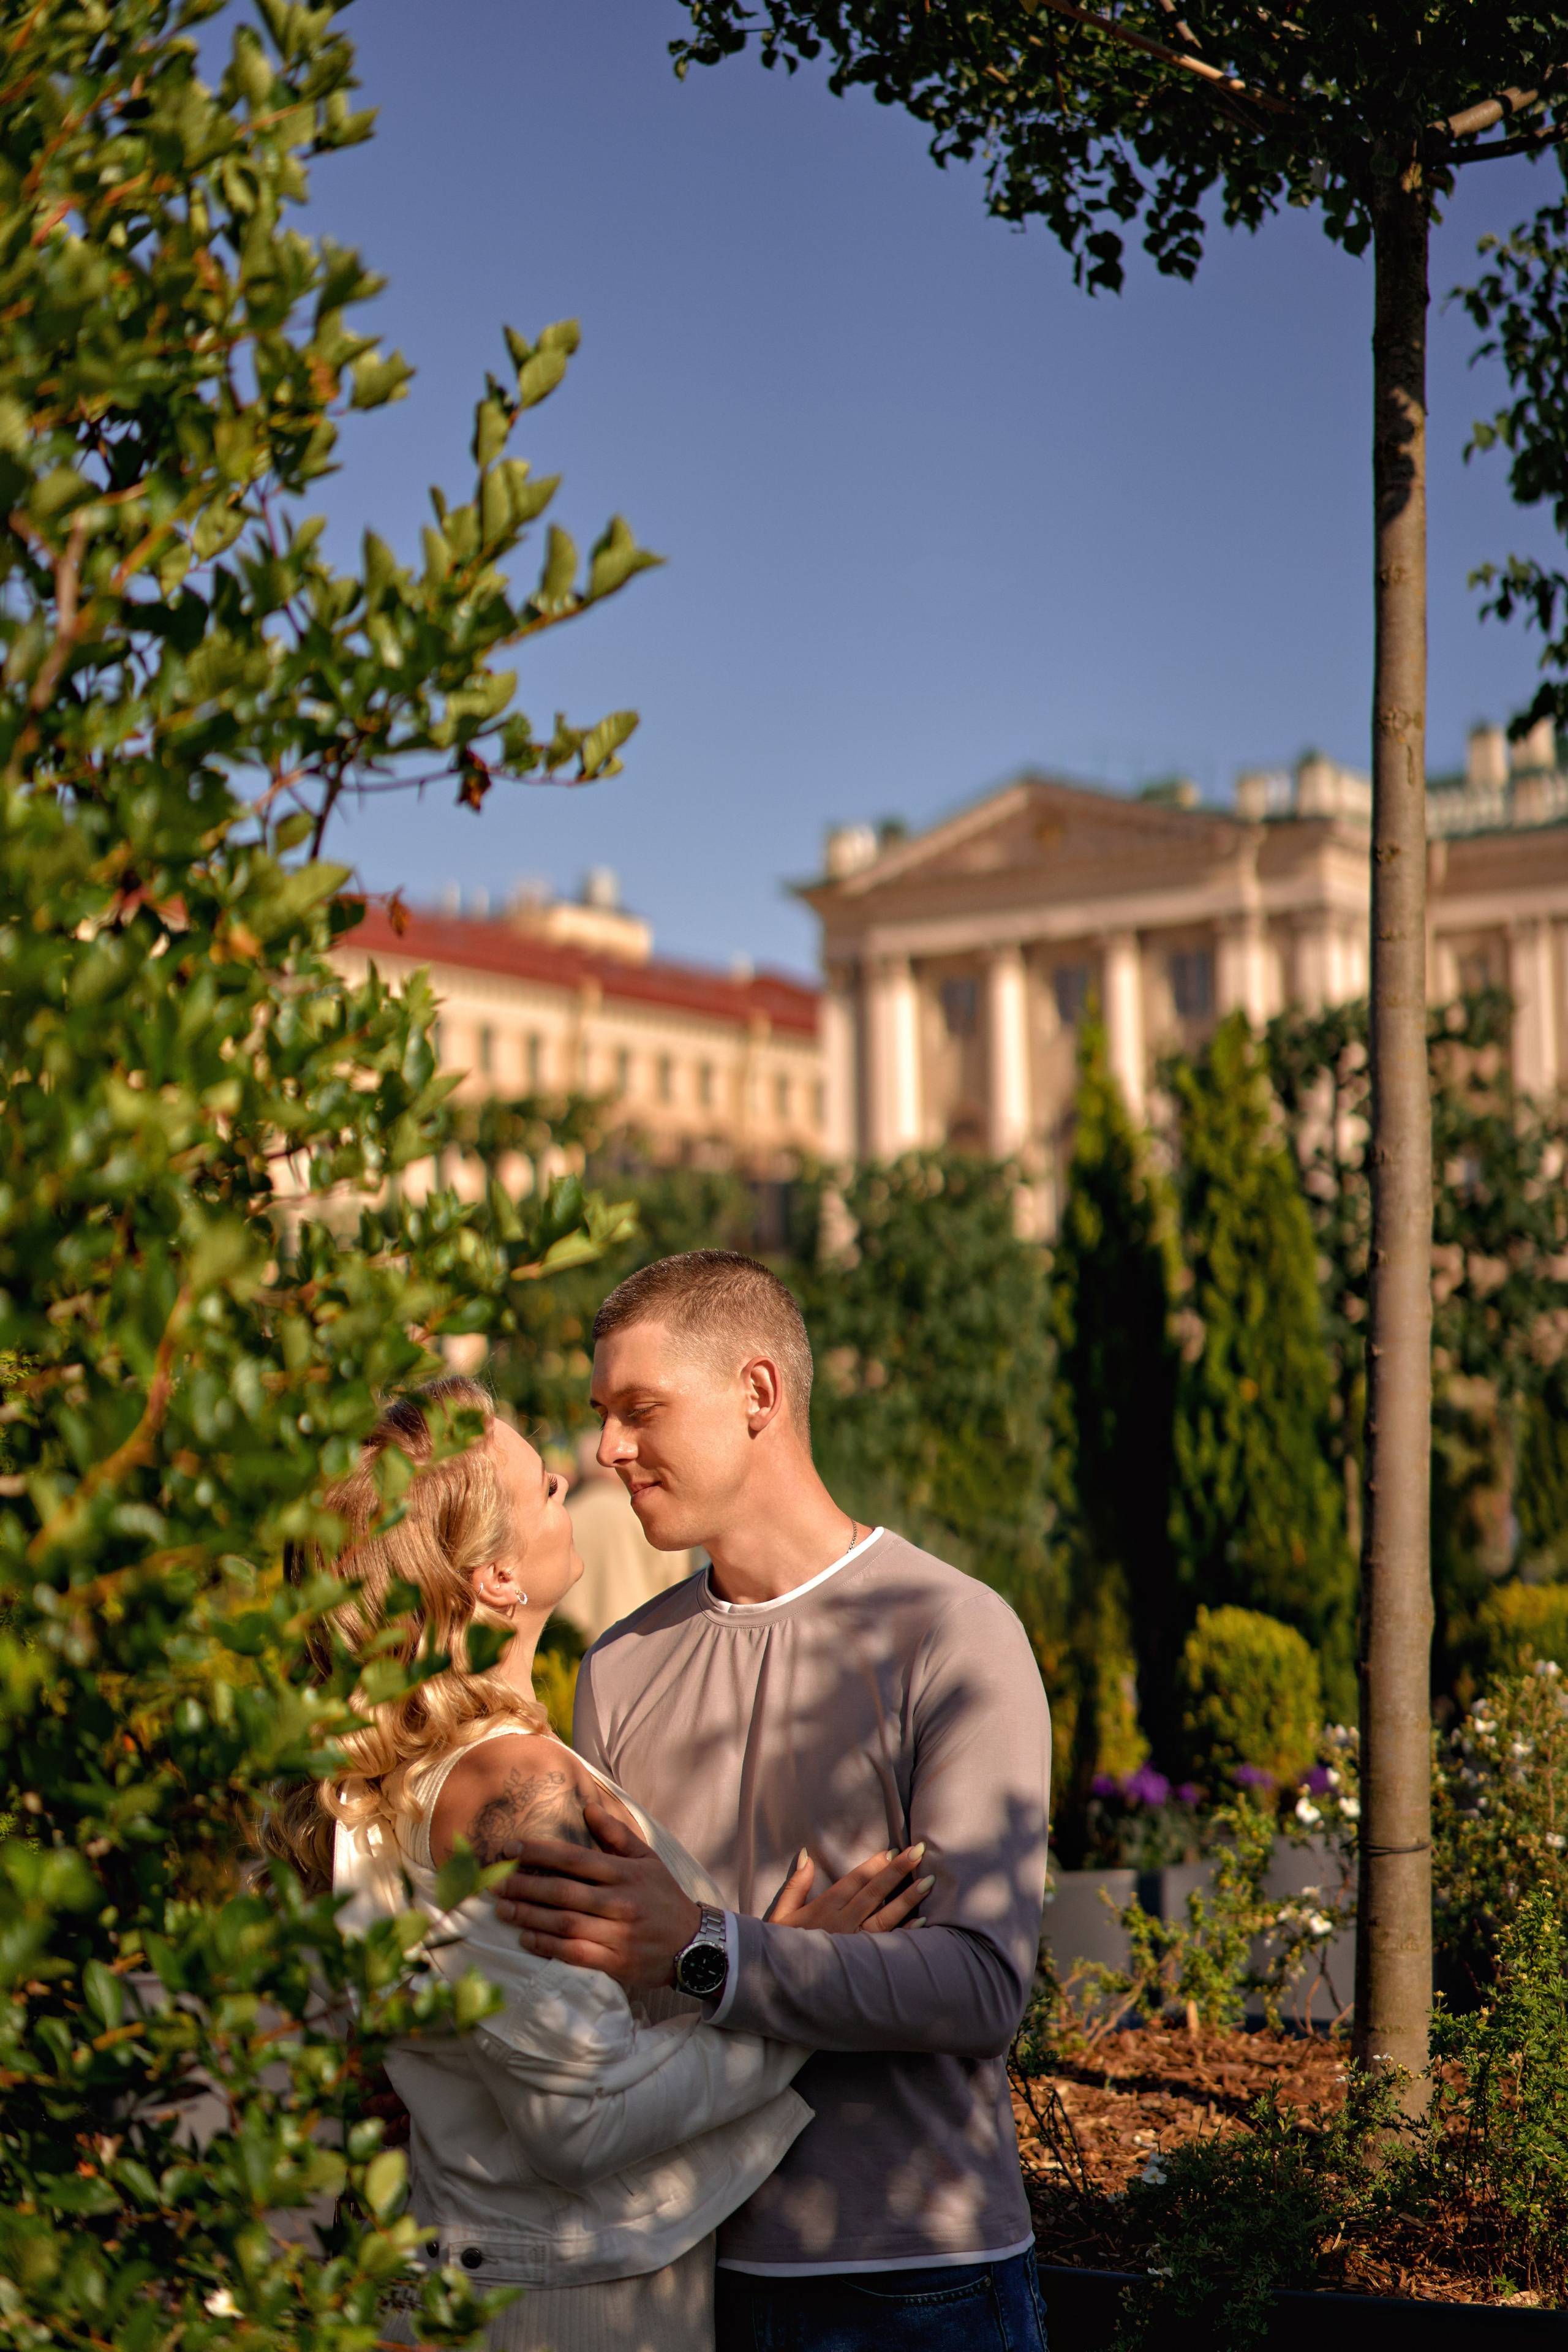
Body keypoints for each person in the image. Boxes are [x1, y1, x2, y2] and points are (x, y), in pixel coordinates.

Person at [268, 1376, 929, 2352]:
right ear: (493, 1578)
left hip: (482, 2275)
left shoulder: (407, 1768)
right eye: (544, 1485)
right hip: (568, 2303)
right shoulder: (508, 1785)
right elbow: (578, 2122)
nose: (576, 1477)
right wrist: (789, 1975)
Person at [493, 1253, 1054, 2351]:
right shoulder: (618, 1667)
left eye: (640, 1410)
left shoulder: (951, 1631)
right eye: (602, 1416)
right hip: (677, 2275)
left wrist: (711, 1951)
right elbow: (601, 1989)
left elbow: (981, 1985)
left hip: (916, 2282)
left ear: (759, 1395)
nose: (607, 1449)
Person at [556, 1431, 695, 1646]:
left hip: (571, 1648)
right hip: (642, 1642)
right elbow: (681, 1586)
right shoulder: (655, 1519)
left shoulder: (563, 1518)